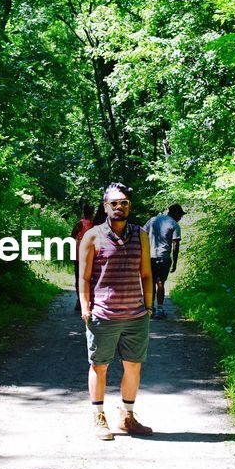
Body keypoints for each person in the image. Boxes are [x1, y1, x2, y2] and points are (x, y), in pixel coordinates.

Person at [78, 182, 154, 440]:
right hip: (103, 315)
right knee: (99, 366)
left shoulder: (141, 234)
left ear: (129, 206)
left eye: (124, 203)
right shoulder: (92, 236)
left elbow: (146, 272)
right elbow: (84, 277)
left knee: (133, 366)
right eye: (114, 203)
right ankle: (99, 418)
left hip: (135, 315)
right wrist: (86, 307)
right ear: (105, 206)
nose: (119, 207)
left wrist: (149, 306)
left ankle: (127, 417)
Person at [144, 203, 184, 318]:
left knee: (151, 282)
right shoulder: (174, 224)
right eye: (180, 215)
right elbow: (175, 245)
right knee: (160, 282)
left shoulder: (153, 220)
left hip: (149, 256)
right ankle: (160, 310)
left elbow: (143, 235)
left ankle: (150, 309)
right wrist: (175, 262)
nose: (180, 218)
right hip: (163, 257)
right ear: (175, 213)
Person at [70, 204, 95, 313]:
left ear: (83, 211)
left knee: (79, 278)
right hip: (92, 254)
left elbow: (72, 238)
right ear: (92, 212)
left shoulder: (79, 224)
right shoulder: (96, 225)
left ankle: (80, 301)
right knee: (92, 278)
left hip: (79, 254)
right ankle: (92, 301)